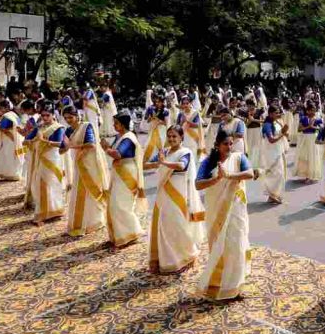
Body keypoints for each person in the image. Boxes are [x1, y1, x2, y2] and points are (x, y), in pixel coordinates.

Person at [194, 129, 256, 301]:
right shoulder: (208, 162)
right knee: (220, 247)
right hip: (216, 212)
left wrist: (229, 175)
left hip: (236, 210)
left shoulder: (238, 157)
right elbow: (198, 185)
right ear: (217, 145)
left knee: (236, 245)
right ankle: (218, 284)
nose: (229, 146)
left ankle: (234, 287)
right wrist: (217, 179)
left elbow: (250, 173)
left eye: (231, 143)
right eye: (225, 144)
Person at [147, 125, 203, 274]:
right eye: (169, 136)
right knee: (164, 225)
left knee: (177, 224)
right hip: (163, 194)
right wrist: (154, 161)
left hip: (178, 195)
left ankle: (185, 255)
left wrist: (163, 163)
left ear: (181, 138)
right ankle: (167, 260)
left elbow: (181, 166)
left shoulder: (185, 153)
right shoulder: (164, 151)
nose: (171, 139)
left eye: (174, 136)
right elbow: (147, 164)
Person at [61, 105, 109, 237]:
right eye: (65, 118)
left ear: (77, 116)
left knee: (88, 192)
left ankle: (94, 222)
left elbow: (91, 144)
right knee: (79, 193)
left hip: (89, 164)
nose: (68, 120)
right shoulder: (69, 130)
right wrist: (62, 147)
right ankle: (86, 223)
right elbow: (63, 147)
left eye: (70, 117)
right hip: (78, 164)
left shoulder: (86, 127)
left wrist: (72, 146)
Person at [103, 114, 146, 247]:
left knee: (121, 205)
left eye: (116, 123)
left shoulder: (128, 138)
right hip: (119, 172)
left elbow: (117, 154)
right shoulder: (119, 136)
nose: (113, 125)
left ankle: (131, 233)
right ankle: (120, 235)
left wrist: (105, 147)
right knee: (115, 204)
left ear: (123, 124)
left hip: (127, 173)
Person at [25, 104, 67, 225]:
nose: (45, 117)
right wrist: (32, 140)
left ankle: (52, 210)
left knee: (51, 184)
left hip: (52, 159)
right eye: (42, 115)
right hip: (40, 160)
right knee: (40, 185)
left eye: (47, 115)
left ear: (53, 115)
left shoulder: (58, 127)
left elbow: (59, 143)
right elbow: (26, 140)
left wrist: (43, 140)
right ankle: (46, 211)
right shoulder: (39, 127)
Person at [260, 105, 289, 204]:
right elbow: (271, 139)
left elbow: (280, 133)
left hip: (278, 150)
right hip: (271, 152)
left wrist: (284, 132)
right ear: (270, 113)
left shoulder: (276, 122)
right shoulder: (267, 125)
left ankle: (274, 195)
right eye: (276, 113)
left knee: (280, 173)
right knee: (275, 174)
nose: (278, 114)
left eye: (278, 112)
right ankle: (272, 195)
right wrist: (282, 134)